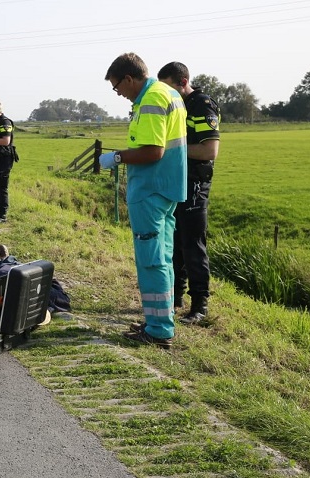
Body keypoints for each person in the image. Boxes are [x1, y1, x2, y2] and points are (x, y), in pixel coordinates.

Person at [99, 53, 187, 349]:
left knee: (151, 261)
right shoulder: (168, 92)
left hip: (149, 190)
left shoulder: (151, 99)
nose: (118, 93)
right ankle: (160, 320)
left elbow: (152, 151)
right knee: (163, 258)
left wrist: (116, 157)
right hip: (166, 189)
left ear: (129, 78)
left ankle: (160, 329)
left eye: (117, 87)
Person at [157, 62, 221, 325]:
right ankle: (175, 299)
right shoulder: (177, 106)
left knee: (193, 245)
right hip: (176, 182)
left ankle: (199, 306)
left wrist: (169, 152)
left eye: (168, 86)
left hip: (195, 183)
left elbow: (209, 151)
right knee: (174, 244)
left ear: (182, 82)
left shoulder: (202, 105)